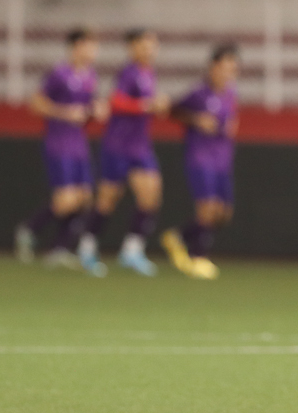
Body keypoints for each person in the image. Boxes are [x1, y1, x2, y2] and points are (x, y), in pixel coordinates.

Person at [77, 28, 169, 276]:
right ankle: (86, 248)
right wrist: (147, 105)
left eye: (152, 45)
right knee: (108, 199)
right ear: (132, 48)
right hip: (117, 145)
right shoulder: (128, 73)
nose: (149, 49)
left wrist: (156, 106)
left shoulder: (149, 73)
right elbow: (116, 101)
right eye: (143, 45)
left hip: (140, 146)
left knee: (151, 194)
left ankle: (132, 250)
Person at [15, 28, 107, 268]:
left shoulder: (90, 76)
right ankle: (29, 229)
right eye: (90, 46)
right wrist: (64, 112)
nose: (94, 51)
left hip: (79, 143)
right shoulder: (59, 74)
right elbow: (36, 103)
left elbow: (88, 109)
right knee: (66, 200)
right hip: (59, 142)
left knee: (85, 197)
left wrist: (97, 111)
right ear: (76, 47)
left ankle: (60, 249)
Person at [161, 45, 240, 280]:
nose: (228, 74)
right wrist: (196, 120)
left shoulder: (230, 95)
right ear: (213, 67)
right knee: (207, 207)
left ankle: (178, 236)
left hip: (222, 159)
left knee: (223, 213)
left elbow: (230, 121)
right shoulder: (198, 94)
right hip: (200, 156)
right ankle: (198, 257)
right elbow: (173, 110)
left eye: (232, 69)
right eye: (224, 68)